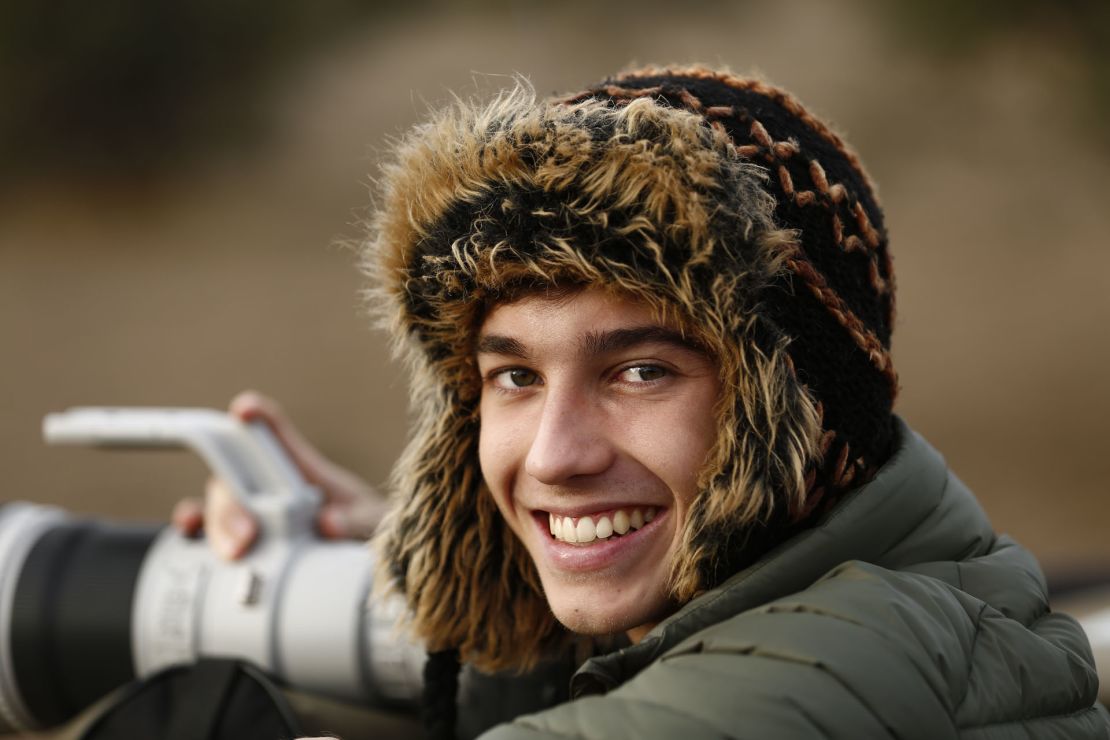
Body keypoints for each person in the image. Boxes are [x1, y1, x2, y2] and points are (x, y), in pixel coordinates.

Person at [177, 67, 1108, 738]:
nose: (552, 458)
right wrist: (401, 566)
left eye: (641, 372)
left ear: (801, 406)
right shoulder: (857, 598)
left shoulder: (851, 663)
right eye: (515, 376)